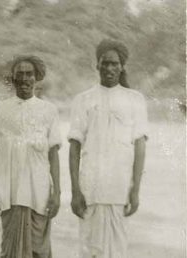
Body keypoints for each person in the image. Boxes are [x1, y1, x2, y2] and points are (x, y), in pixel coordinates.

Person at [68, 39, 148, 258]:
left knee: (117, 250)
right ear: (97, 65)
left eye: (114, 64)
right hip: (90, 188)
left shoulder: (135, 100)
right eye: (105, 63)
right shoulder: (83, 99)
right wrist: (75, 191)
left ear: (122, 66)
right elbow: (74, 149)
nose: (109, 68)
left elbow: (139, 148)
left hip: (119, 189)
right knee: (89, 249)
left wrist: (135, 190)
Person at [0, 55, 61, 258]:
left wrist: (57, 194)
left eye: (30, 74)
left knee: (39, 249)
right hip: (10, 192)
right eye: (20, 74)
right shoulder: (0, 110)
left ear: (37, 78)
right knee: (10, 250)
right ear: (13, 78)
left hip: (40, 192)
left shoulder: (49, 110)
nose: (25, 78)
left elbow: (53, 154)